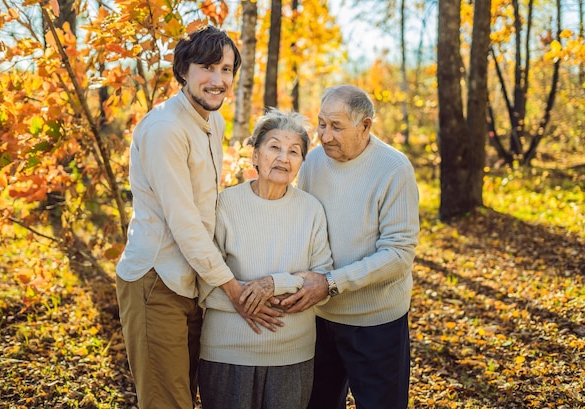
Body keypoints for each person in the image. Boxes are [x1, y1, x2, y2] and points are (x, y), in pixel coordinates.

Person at [115, 26, 282, 409]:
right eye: (208, 67)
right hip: (156, 281)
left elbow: (209, 206)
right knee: (166, 401)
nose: (218, 80)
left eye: (226, 69)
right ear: (184, 70)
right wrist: (233, 289)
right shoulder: (165, 129)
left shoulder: (212, 122)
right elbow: (185, 221)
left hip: (192, 283)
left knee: (187, 396)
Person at [281, 84, 420, 409]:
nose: (325, 136)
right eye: (322, 124)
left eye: (337, 126)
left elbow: (399, 254)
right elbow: (303, 226)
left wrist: (330, 283)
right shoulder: (313, 162)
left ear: (365, 126)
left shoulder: (394, 169)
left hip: (375, 323)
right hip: (318, 318)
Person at [197, 108, 333, 409]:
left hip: (293, 355)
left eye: (294, 151)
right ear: (255, 155)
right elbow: (204, 279)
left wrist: (275, 284)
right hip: (227, 352)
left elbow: (322, 282)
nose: (284, 158)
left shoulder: (311, 210)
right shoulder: (224, 204)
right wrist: (247, 300)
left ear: (301, 163)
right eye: (274, 147)